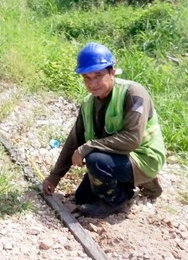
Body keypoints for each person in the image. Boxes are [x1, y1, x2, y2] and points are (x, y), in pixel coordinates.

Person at [41, 42, 166, 218]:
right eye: (87, 78)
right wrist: (55, 177)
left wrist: (88, 146)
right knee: (82, 196)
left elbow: (132, 139)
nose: (93, 83)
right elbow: (74, 140)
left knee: (95, 160)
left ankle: (115, 202)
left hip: (143, 156)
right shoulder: (88, 104)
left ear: (112, 72)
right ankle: (131, 187)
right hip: (117, 157)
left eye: (98, 75)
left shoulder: (133, 93)